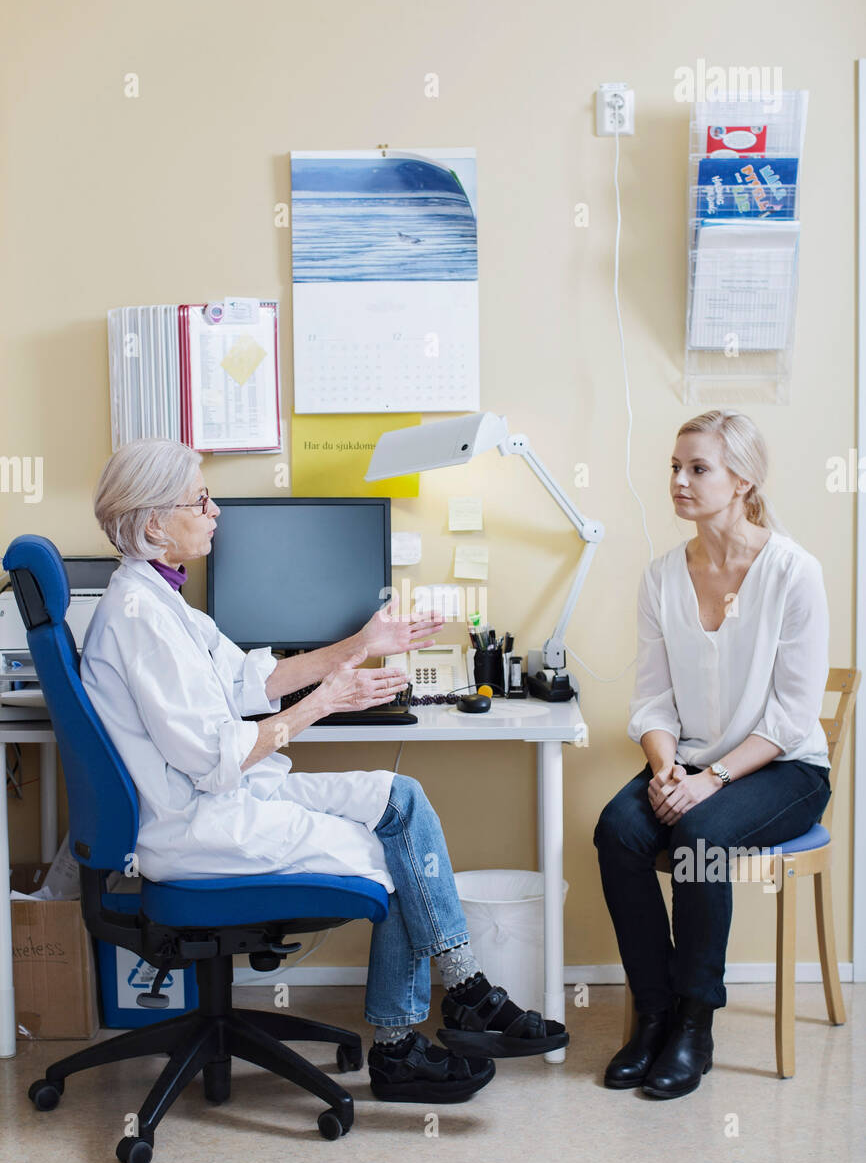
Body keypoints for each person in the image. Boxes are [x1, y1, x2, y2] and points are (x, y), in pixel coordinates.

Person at [81, 438, 567, 1105]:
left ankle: (465, 994)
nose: (216, 509)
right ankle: (401, 1046)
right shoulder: (138, 619)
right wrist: (324, 703)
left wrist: (360, 646)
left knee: (399, 798)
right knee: (390, 851)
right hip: (199, 825)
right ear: (155, 522)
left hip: (226, 800)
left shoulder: (165, 605)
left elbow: (254, 678)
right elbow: (218, 757)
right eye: (200, 498)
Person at [593, 409, 832, 1099]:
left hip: (784, 769)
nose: (679, 480)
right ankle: (654, 1015)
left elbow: (791, 717)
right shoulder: (662, 576)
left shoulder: (794, 573)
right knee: (619, 830)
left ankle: (696, 1025)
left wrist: (710, 781)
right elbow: (652, 700)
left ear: (743, 481)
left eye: (698, 468)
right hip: (690, 761)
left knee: (699, 833)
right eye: (674, 466)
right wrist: (667, 765)